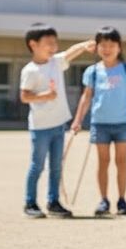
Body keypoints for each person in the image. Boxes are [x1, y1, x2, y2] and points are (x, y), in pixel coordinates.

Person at [71, 26, 126, 216]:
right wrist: (77, 120)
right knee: (103, 162)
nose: (107, 49)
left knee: (121, 161)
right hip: (100, 123)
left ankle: (122, 201)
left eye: (111, 45)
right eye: (103, 45)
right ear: (97, 47)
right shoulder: (92, 71)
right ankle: (104, 200)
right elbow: (86, 97)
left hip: (123, 122)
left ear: (119, 47)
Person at [20, 23, 95, 218]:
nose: (54, 46)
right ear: (33, 44)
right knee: (37, 166)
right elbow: (25, 96)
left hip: (58, 124)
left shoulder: (55, 62)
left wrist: (84, 45)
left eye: (55, 42)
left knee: (56, 167)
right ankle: (30, 202)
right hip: (40, 127)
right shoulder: (30, 70)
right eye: (49, 43)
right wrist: (45, 95)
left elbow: (70, 53)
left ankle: (53, 202)